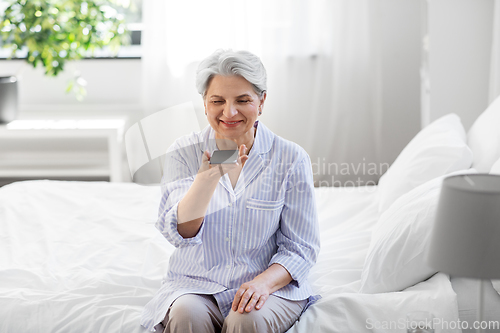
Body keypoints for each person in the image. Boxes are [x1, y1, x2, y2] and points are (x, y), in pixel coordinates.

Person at [140, 49, 320, 333]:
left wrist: (262, 283)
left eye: (243, 100)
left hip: (267, 287)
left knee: (245, 320)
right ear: (204, 103)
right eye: (218, 101)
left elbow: (301, 248)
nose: (229, 112)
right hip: (196, 284)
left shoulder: (291, 158)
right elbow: (180, 234)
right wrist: (207, 179)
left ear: (261, 102)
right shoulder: (183, 153)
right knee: (187, 314)